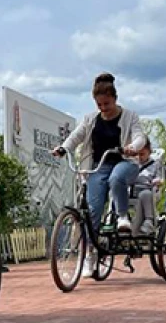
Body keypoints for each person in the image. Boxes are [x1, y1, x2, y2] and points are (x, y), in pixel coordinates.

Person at [52, 73, 147, 234]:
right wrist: (63, 148)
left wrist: (132, 147)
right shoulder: (90, 119)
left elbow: (140, 137)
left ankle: (122, 216)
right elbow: (76, 136)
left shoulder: (130, 116)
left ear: (115, 99)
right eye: (99, 105)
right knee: (93, 208)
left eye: (107, 104)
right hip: (99, 166)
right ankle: (90, 250)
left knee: (116, 178)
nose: (103, 108)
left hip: (124, 162)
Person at [130, 137, 161, 237]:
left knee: (145, 194)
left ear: (149, 151)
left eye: (142, 154)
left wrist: (157, 181)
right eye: (136, 154)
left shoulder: (155, 164)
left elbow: (160, 177)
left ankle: (149, 220)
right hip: (132, 190)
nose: (139, 157)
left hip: (148, 189)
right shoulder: (131, 163)